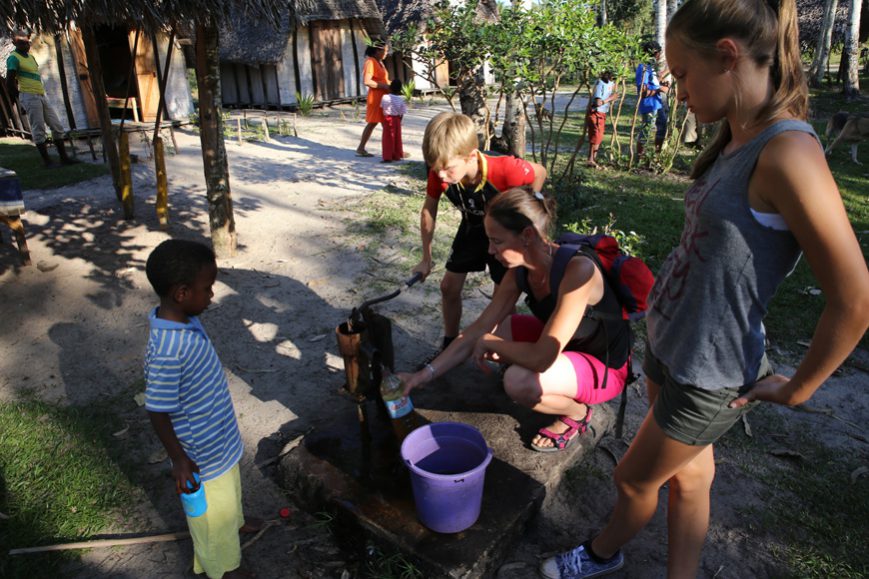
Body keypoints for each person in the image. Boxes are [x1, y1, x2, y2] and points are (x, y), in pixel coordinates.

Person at [540, 0, 869, 576]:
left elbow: (855, 297)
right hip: (673, 348)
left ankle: (600, 554)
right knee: (690, 475)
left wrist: (798, 389)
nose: (678, 91)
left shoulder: (788, 151)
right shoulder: (736, 138)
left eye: (683, 75)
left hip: (708, 374)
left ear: (727, 55)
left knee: (632, 478)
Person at [401, 186, 631, 451]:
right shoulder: (519, 272)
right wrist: (420, 377)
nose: (489, 250)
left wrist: (492, 343)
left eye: (497, 241)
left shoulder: (579, 271)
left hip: (604, 366)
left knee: (518, 381)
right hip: (570, 345)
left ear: (527, 236)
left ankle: (576, 413)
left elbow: (542, 357)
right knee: (501, 330)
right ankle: (551, 380)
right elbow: (476, 331)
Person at [144, 239, 261, 579]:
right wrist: (180, 460)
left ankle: (235, 524)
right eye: (207, 289)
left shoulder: (182, 318)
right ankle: (222, 567)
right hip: (199, 454)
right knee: (210, 517)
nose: (211, 296)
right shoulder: (168, 349)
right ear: (181, 293)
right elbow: (156, 410)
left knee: (230, 490)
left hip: (218, 437)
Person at [412, 112, 547, 357]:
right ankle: (450, 344)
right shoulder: (441, 170)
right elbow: (428, 211)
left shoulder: (507, 169)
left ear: (471, 156)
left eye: (447, 169)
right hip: (473, 226)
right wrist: (425, 257)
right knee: (448, 287)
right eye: (435, 169)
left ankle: (501, 351)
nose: (441, 176)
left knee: (502, 300)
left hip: (503, 233)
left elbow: (539, 172)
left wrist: (524, 208)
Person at [5, 30, 78, 167]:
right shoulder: (13, 58)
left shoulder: (31, 58)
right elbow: (9, 83)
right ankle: (47, 162)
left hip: (41, 95)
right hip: (29, 96)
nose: (26, 45)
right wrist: (21, 98)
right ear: (14, 43)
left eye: (27, 42)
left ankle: (64, 158)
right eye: (21, 43)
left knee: (56, 126)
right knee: (38, 129)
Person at [635, 40, 670, 158]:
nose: (659, 55)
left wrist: (661, 83)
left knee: (662, 126)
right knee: (647, 130)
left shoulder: (650, 68)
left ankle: (656, 155)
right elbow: (642, 92)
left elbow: (653, 83)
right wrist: (660, 89)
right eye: (658, 53)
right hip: (649, 104)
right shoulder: (643, 68)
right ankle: (640, 157)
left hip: (657, 104)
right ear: (655, 53)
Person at [355, 42, 390, 158]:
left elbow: (384, 79)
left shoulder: (380, 63)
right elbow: (367, 81)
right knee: (377, 123)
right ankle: (392, 150)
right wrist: (384, 86)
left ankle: (393, 150)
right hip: (376, 98)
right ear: (377, 51)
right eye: (384, 51)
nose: (386, 53)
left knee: (384, 124)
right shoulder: (370, 62)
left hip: (384, 97)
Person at [585, 71, 619, 168]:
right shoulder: (600, 83)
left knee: (598, 136)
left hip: (602, 113)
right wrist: (610, 98)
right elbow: (598, 103)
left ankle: (593, 159)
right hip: (596, 112)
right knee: (596, 136)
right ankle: (591, 159)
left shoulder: (610, 83)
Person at [380, 79, 407, 162]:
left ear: (390, 88)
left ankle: (387, 157)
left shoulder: (385, 97)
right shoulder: (401, 99)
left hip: (388, 118)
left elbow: (382, 107)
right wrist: (399, 120)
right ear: (400, 90)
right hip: (397, 119)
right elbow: (402, 112)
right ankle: (396, 155)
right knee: (397, 137)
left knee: (388, 138)